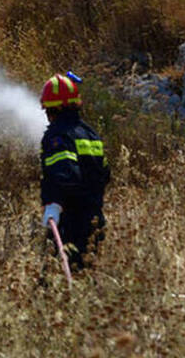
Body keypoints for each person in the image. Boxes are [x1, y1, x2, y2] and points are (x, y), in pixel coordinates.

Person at [39, 72, 110, 270]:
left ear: (53, 108)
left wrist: (54, 205)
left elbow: (65, 175)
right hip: (95, 221)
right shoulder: (90, 133)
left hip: (70, 224)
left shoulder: (57, 135)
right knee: (87, 279)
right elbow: (105, 173)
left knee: (55, 284)